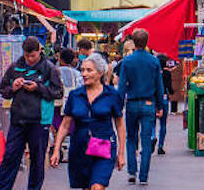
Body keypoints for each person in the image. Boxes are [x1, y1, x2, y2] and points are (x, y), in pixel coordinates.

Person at [0, 36, 63, 190]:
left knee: (37, 161)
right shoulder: (15, 67)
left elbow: (58, 92)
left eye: (33, 56)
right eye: (27, 56)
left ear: (39, 51)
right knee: (10, 158)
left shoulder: (49, 68)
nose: (30, 59)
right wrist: (14, 87)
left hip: (40, 121)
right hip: (18, 120)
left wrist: (38, 88)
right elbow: (3, 90)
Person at [50, 54, 126, 190]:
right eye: (83, 70)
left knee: (97, 186)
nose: (84, 74)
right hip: (80, 148)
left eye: (89, 70)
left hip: (104, 146)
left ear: (100, 72)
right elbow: (65, 125)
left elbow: (120, 125)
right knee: (86, 187)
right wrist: (56, 150)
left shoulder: (112, 95)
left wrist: (121, 153)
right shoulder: (75, 95)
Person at [117, 29, 164, 185]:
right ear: (147, 41)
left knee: (131, 138)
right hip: (149, 103)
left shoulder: (127, 62)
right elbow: (159, 85)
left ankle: (131, 172)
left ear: (133, 42)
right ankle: (143, 176)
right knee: (146, 141)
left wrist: (118, 105)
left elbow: (122, 86)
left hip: (132, 103)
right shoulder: (154, 61)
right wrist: (160, 105)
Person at [53, 48, 84, 135]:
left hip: (57, 106)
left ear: (60, 59)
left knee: (57, 129)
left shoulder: (55, 71)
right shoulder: (78, 74)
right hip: (73, 106)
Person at [151, 53, 175, 155]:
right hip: (164, 98)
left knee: (152, 122)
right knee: (163, 123)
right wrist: (172, 92)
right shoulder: (167, 73)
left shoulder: (153, 73)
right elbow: (170, 88)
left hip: (153, 99)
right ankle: (160, 146)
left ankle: (152, 136)